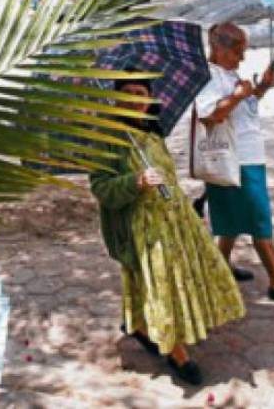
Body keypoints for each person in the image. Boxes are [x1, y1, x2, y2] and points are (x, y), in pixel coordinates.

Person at [90, 75, 245, 386]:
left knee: (169, 283)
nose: (135, 98)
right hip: (142, 230)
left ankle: (141, 326)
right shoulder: (109, 140)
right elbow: (102, 189)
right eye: (128, 92)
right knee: (162, 287)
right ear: (116, 99)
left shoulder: (152, 136)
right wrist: (135, 182)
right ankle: (176, 353)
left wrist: (189, 210)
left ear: (150, 98)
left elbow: (169, 182)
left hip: (175, 223)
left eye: (141, 92)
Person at [194, 22, 274, 308]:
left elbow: (243, 109)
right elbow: (209, 115)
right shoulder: (208, 77)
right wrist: (237, 95)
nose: (242, 58)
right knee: (259, 219)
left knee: (230, 217)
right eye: (237, 51)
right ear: (218, 48)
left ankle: (218, 266)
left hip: (246, 154)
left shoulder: (227, 71)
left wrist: (261, 87)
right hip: (236, 159)